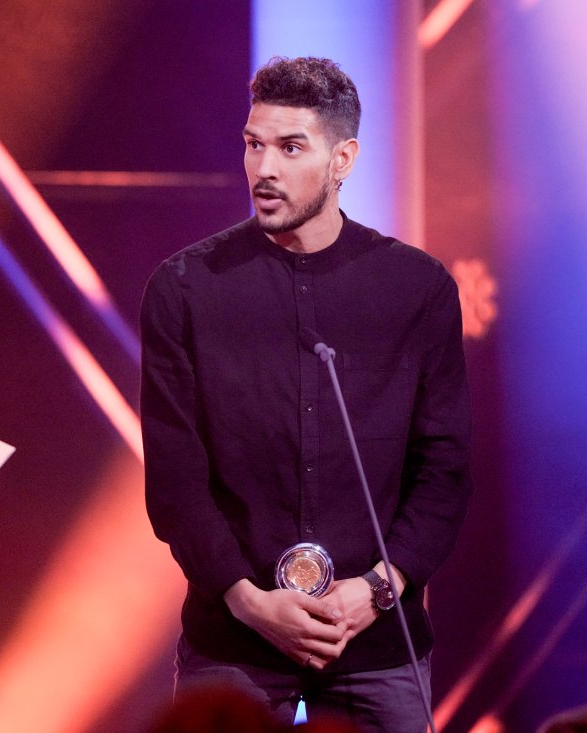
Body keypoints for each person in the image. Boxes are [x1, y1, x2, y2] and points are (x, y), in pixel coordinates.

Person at [140, 56, 473, 732]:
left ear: (342, 157)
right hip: (233, 638)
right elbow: (175, 479)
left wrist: (374, 591)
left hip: (374, 639)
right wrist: (249, 600)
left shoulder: (417, 289)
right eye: (253, 143)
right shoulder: (184, 289)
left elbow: (444, 469)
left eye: (291, 147)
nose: (264, 168)